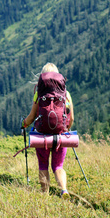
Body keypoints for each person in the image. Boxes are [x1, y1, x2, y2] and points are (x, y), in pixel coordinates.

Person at [22, 63, 74, 199]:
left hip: (42, 136)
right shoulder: (66, 94)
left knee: (43, 165)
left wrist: (24, 124)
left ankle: (45, 195)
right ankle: (64, 190)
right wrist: (65, 129)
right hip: (60, 135)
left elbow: (32, 116)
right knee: (58, 166)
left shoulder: (39, 93)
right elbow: (71, 117)